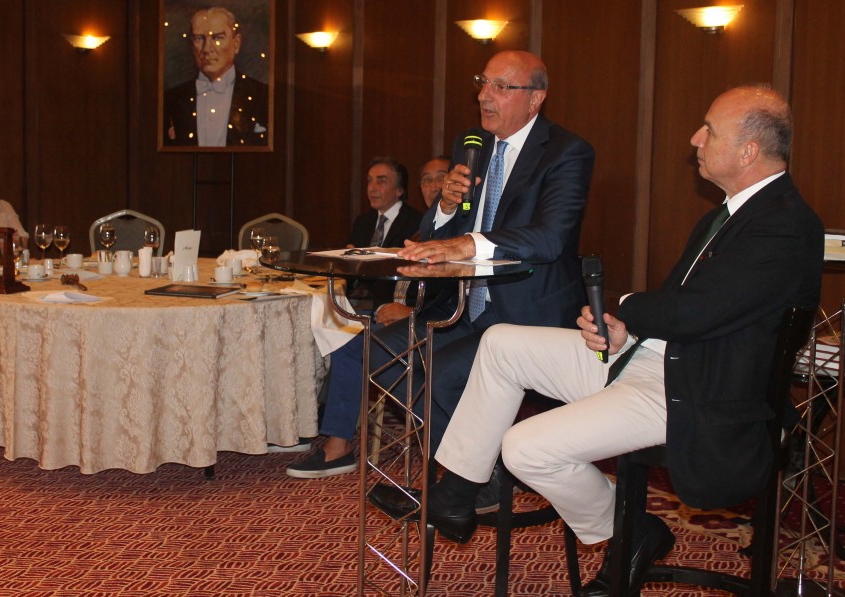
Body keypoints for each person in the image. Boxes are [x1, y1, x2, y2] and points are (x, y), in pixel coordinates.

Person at [368, 85, 824, 596]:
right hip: (656, 357)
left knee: (523, 448)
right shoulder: (731, 214)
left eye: (709, 130)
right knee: (500, 343)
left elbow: (699, 313)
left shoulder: (783, 224)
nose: (695, 138)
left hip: (695, 389)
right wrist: (629, 330)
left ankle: (627, 530)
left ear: (747, 152)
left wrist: (625, 307)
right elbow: (700, 310)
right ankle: (456, 493)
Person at [285, 50, 595, 480]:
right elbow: (434, 233)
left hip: (526, 313)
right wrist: (447, 206)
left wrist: (466, 243)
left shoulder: (566, 152)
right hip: (462, 307)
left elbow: (550, 238)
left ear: (535, 98)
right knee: (376, 351)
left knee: (441, 374)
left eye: (501, 87)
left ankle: (467, 479)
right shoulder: (472, 144)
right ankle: (470, 472)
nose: (484, 96)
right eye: (482, 83)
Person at [163, 6, 269, 147]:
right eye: (199, 38)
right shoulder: (171, 100)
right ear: (191, 44)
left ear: (236, 43)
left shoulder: (264, 96)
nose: (207, 48)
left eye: (218, 37)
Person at [374, 155, 451, 326]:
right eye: (427, 180)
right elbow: (386, 276)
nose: (434, 187)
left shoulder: (460, 236)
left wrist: (414, 313)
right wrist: (383, 309)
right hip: (389, 320)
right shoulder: (417, 232)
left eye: (442, 178)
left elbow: (456, 297)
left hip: (429, 325)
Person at [345, 157, 423, 313]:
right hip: (355, 298)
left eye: (381, 182)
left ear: (399, 190)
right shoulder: (363, 221)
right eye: (369, 181)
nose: (371, 188)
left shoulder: (416, 223)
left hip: (391, 303)